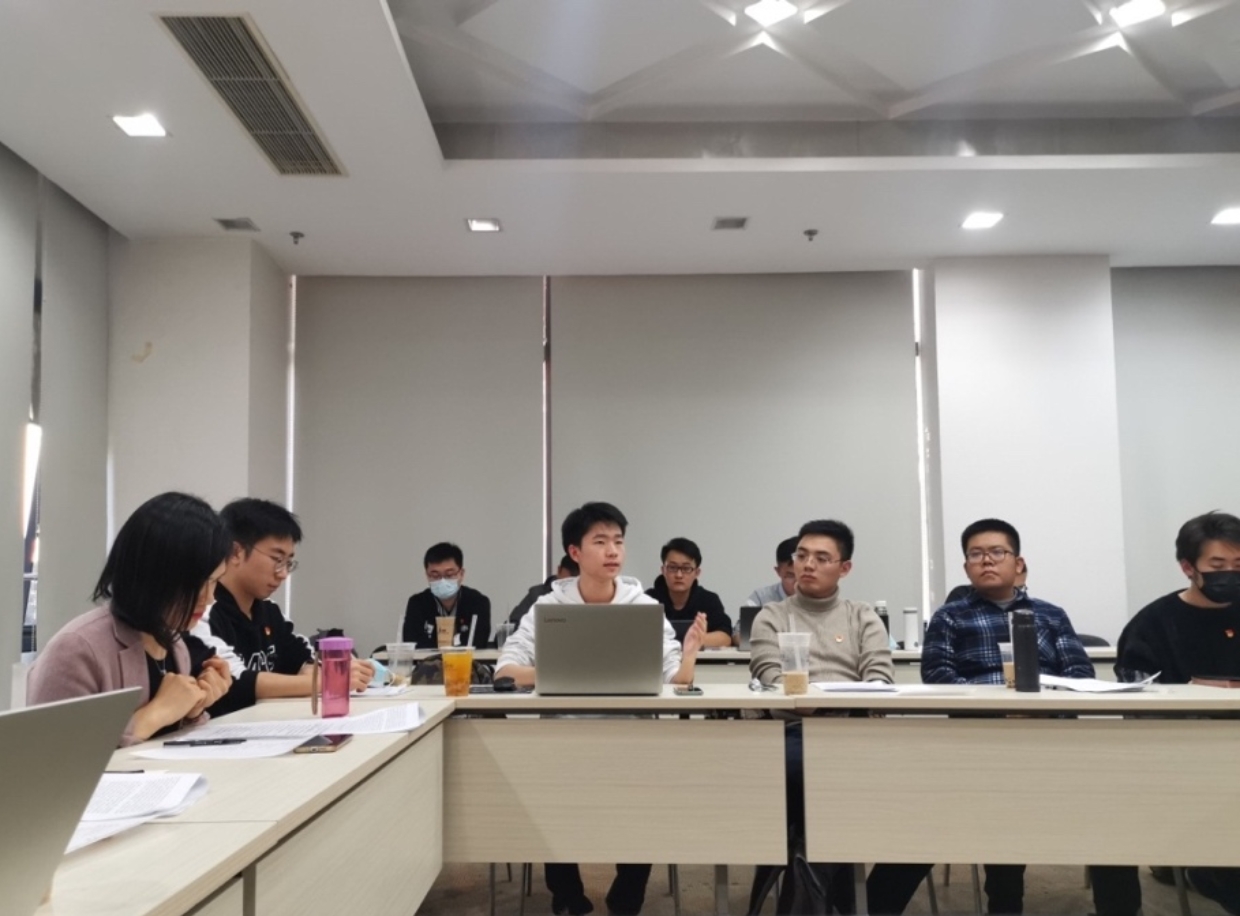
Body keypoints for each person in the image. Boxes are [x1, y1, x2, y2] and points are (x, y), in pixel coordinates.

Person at [868, 519, 1092, 915]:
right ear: (966, 566)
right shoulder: (950, 616)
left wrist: (1039, 707)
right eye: (976, 554)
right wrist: (997, 707)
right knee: (925, 824)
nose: (986, 561)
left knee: (1093, 814)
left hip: (1044, 743)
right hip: (973, 742)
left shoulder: (1050, 615)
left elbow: (1080, 675)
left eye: (996, 552)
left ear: (1018, 563)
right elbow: (938, 676)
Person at [495, 501, 706, 916]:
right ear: (574, 552)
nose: (613, 551)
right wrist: (563, 671)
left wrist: (688, 659)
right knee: (545, 798)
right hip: (562, 742)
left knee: (649, 800)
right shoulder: (548, 608)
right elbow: (506, 670)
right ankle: (568, 898)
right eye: (600, 542)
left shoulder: (642, 606)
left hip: (633, 740)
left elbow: (674, 678)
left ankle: (627, 898)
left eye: (619, 542)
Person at [1091, 511, 1240, 916]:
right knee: (1104, 810)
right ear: (1188, 567)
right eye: (1218, 565)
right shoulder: (1153, 623)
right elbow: (1138, 700)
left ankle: (1208, 871)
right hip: (1176, 757)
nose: (1230, 574)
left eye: (1238, 564)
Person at [749, 519, 892, 914]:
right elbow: (770, 675)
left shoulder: (862, 616)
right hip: (793, 731)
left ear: (844, 568)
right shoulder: (771, 616)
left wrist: (823, 701)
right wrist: (817, 701)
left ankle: (800, 869)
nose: (807, 564)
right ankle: (828, 892)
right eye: (801, 555)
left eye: (821, 558)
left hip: (851, 733)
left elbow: (879, 678)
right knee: (812, 770)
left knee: (834, 780)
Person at [28, 492, 233, 745]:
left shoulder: (175, 644)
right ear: (157, 575)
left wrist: (192, 711)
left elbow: (163, 747)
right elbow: (51, 751)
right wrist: (155, 714)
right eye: (199, 584)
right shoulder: (77, 649)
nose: (209, 598)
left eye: (214, 582)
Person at [194, 498, 372, 711]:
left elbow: (305, 659)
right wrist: (326, 681)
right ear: (235, 552)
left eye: (288, 563)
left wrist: (320, 671)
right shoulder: (201, 611)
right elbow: (234, 680)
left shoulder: (269, 611)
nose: (283, 574)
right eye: (277, 560)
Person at [402, 542, 491, 649]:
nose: (442, 581)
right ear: (427, 575)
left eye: (449, 575)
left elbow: (478, 642)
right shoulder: (417, 603)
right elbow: (412, 642)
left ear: (461, 574)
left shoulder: (478, 602)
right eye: (435, 575)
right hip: (427, 660)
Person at [646, 537, 732, 648]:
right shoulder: (649, 599)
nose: (679, 575)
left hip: (698, 658)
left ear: (697, 572)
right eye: (672, 567)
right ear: (663, 570)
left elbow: (725, 637)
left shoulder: (709, 600)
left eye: (686, 569)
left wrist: (692, 640)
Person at [508, 555, 579, 627]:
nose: (571, 582)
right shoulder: (537, 594)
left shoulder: (584, 598)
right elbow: (513, 626)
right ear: (559, 570)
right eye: (567, 580)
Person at [744, 536, 799, 607]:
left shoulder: (814, 597)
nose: (798, 582)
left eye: (803, 575)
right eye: (790, 576)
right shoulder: (760, 599)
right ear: (778, 571)